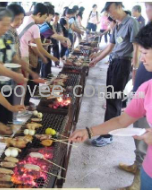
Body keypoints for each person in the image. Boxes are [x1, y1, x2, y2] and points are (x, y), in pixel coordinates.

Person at [70, 22, 152, 190]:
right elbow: (122, 121)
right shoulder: (147, 88)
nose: (141, 58)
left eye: (145, 53)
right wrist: (89, 131)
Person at [89, 2, 139, 147]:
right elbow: (110, 47)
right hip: (114, 63)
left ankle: (108, 135)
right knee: (110, 97)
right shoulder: (117, 24)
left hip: (123, 64)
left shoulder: (132, 23)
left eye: (111, 12)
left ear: (119, 6)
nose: (111, 15)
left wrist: (135, 70)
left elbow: (136, 49)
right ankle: (108, 130)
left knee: (114, 99)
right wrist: (96, 60)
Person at [117, 3, 152, 190]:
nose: (148, 10)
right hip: (142, 93)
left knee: (144, 139)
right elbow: (122, 122)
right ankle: (137, 168)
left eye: (150, 6)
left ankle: (137, 182)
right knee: (140, 137)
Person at [17, 3, 59, 109]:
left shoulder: (25, 19)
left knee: (20, 82)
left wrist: (43, 56)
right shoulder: (35, 27)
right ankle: (22, 107)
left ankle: (21, 105)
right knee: (24, 83)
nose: (44, 20)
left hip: (17, 54)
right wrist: (52, 57)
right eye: (44, 17)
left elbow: (29, 41)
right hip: (24, 55)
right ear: (39, 14)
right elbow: (39, 47)